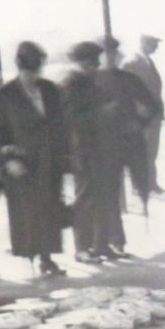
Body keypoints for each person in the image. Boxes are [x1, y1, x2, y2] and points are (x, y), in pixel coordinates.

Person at [0, 42, 68, 276]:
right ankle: (29, 257)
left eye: (36, 70)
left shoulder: (50, 89)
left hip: (49, 160)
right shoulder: (6, 94)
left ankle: (47, 257)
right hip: (21, 162)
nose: (33, 77)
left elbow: (60, 125)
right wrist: (8, 160)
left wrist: (63, 155)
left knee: (49, 208)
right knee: (26, 211)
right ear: (20, 68)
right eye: (28, 72)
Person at [99, 37, 163, 248]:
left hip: (125, 141)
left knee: (113, 191)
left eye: (112, 54)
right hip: (103, 144)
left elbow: (151, 105)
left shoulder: (128, 79)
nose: (109, 58)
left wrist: (140, 122)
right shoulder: (90, 82)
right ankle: (108, 240)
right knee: (107, 193)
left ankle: (115, 241)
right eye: (105, 54)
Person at [62, 40, 114, 263]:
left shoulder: (87, 81)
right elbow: (69, 119)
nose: (98, 64)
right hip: (83, 149)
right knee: (85, 199)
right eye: (94, 60)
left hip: (97, 147)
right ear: (84, 62)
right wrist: (101, 111)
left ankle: (100, 245)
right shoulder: (71, 83)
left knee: (101, 196)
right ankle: (82, 247)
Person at [122, 35, 165, 193]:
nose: (156, 47)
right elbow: (125, 90)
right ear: (144, 43)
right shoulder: (131, 63)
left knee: (151, 151)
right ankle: (139, 186)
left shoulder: (149, 62)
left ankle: (151, 183)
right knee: (139, 151)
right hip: (140, 115)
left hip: (153, 115)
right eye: (153, 44)